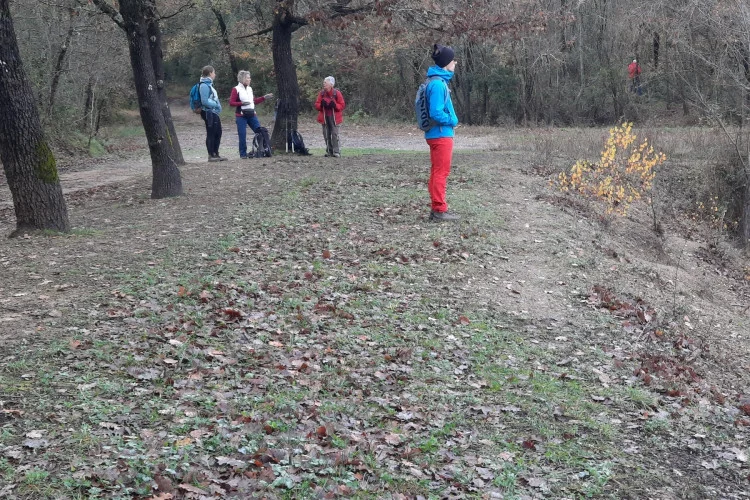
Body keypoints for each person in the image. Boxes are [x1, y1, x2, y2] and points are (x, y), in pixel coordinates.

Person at [424, 44, 460, 222]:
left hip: (436, 134)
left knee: (437, 171)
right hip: (441, 134)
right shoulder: (438, 84)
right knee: (441, 173)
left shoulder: (435, 81)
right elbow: (436, 112)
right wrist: (452, 121)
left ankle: (436, 208)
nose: (455, 63)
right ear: (446, 63)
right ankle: (439, 210)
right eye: (453, 60)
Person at [229, 70, 273, 159]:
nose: (250, 79)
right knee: (242, 135)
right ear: (243, 79)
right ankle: (243, 154)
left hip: (252, 114)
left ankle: (263, 150)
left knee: (260, 132)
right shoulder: (236, 89)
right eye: (248, 78)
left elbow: (254, 101)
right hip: (241, 116)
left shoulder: (250, 89)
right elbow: (231, 102)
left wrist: (264, 97)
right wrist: (241, 103)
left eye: (249, 78)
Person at [198, 65, 226, 162]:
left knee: (218, 132)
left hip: (213, 112)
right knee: (211, 132)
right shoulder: (204, 85)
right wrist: (216, 104)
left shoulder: (209, 84)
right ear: (210, 73)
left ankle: (216, 153)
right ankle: (211, 155)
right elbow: (204, 101)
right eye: (214, 72)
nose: (215, 74)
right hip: (208, 112)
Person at [314, 76, 345, 157]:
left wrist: (335, 106)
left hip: (335, 118)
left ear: (331, 84)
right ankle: (329, 151)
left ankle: (336, 152)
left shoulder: (337, 93)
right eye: (324, 82)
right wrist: (321, 105)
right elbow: (317, 104)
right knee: (326, 134)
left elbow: (342, 105)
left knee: (334, 134)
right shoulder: (321, 93)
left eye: (325, 82)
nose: (324, 84)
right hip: (324, 118)